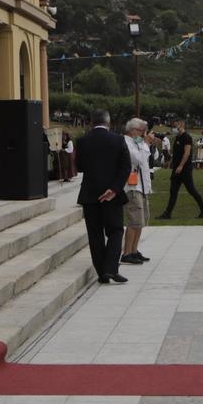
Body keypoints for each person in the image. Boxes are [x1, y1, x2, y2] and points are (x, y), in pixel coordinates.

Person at [72, 110, 131, 284]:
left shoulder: (82, 141)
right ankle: (110, 268)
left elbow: (80, 166)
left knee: (95, 234)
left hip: (89, 194)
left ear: (91, 122)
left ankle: (102, 272)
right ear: (108, 122)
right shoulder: (118, 140)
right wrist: (114, 189)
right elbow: (125, 167)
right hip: (111, 195)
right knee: (115, 231)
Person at [157, 116, 203, 219]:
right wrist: (172, 163)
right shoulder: (177, 138)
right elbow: (176, 153)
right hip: (176, 169)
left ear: (181, 125)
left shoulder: (187, 137)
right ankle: (167, 213)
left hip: (184, 169)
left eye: (176, 125)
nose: (175, 127)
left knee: (191, 190)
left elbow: (187, 153)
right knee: (173, 191)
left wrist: (181, 166)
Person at [120, 118, 153, 265]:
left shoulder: (137, 142)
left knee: (141, 220)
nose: (143, 134)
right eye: (141, 131)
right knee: (134, 220)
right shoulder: (126, 142)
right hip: (132, 187)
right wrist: (145, 144)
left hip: (142, 186)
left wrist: (146, 145)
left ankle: (134, 250)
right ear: (133, 130)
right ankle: (127, 252)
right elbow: (138, 159)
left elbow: (147, 160)